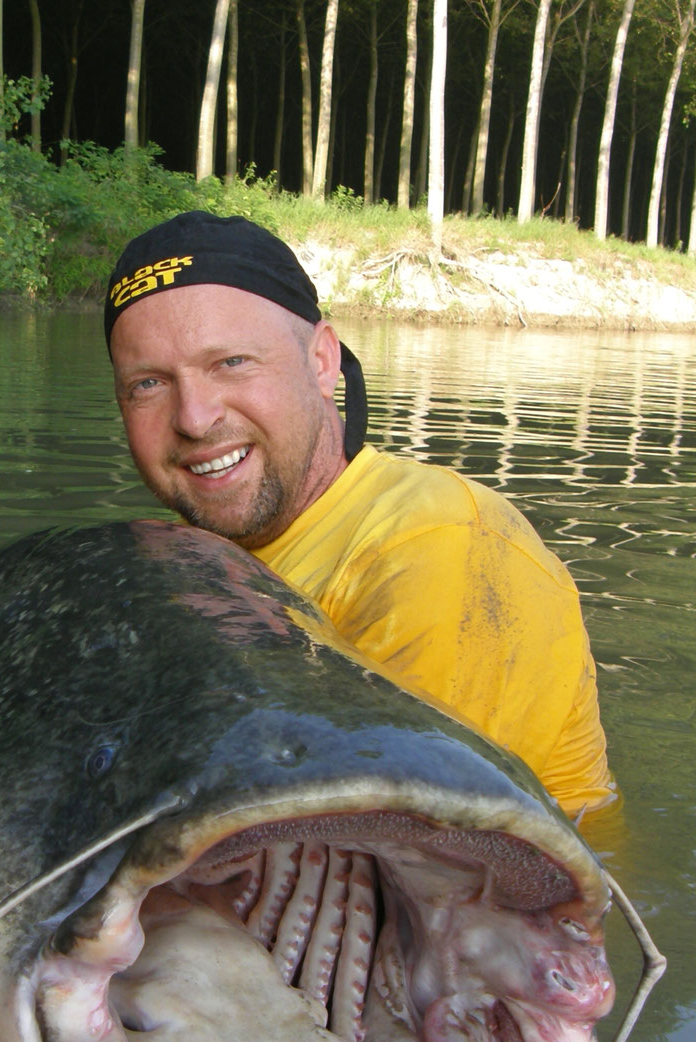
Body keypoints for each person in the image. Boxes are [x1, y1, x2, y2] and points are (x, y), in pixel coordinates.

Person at [104, 211, 615, 818]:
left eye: (232, 363)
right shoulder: (185, 567)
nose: (194, 417)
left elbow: (419, 847)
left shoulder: (436, 542)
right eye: (149, 384)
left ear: (322, 362)